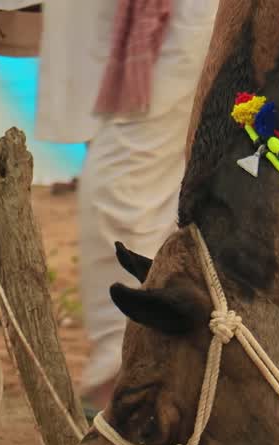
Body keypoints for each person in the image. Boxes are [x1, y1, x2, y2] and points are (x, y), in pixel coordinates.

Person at [34, 0, 219, 415]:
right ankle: (134, 364)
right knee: (143, 178)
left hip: (174, 22)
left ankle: (123, 370)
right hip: (149, 25)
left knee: (125, 182)